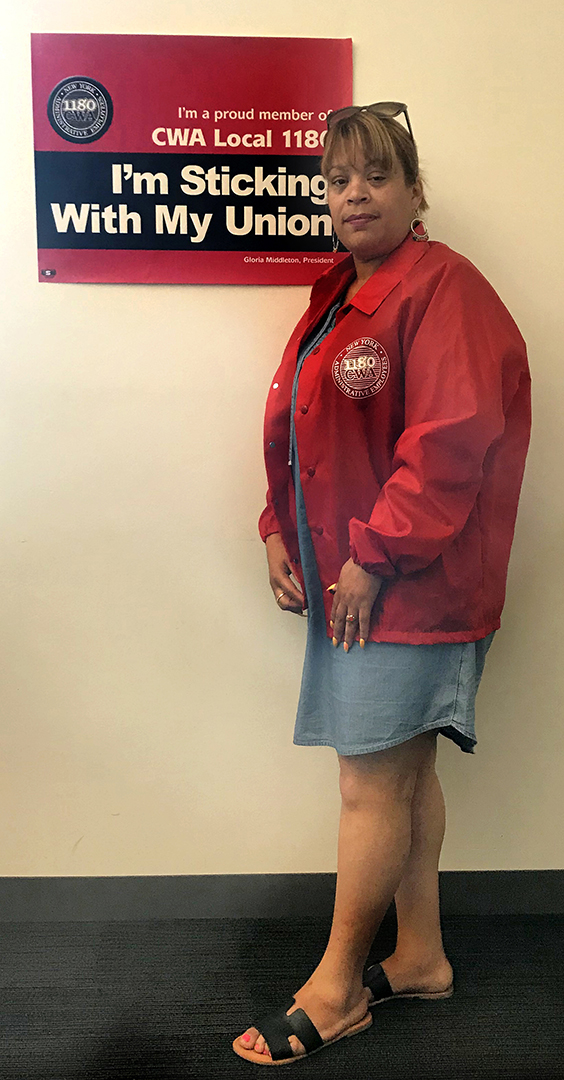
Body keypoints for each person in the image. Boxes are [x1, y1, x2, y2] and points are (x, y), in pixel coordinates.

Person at [232, 102, 531, 1066]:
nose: (352, 194)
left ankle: (337, 990)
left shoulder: (446, 288)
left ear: (413, 189)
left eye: (374, 175)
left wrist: (374, 556)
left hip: (409, 582)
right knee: (405, 774)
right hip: (357, 577)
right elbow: (301, 429)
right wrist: (276, 527)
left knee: (371, 785)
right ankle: (422, 955)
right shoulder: (339, 292)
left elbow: (452, 442)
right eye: (335, 180)